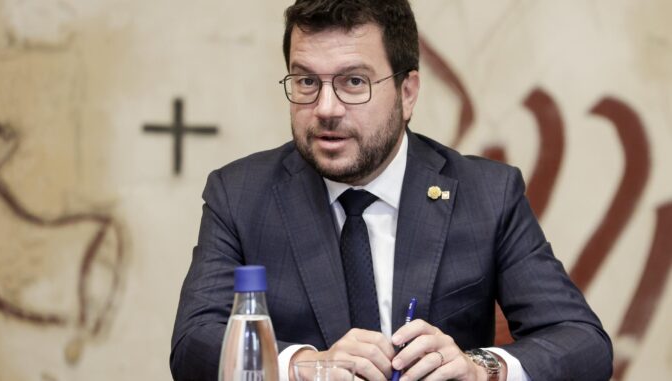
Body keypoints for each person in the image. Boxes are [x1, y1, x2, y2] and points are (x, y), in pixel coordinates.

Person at [170, 0, 613, 380]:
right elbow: (194, 343)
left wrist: (480, 367)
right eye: (306, 81)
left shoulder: (487, 194)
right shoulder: (241, 194)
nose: (325, 108)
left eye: (353, 82)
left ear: (408, 92)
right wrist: (304, 364)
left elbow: (582, 342)